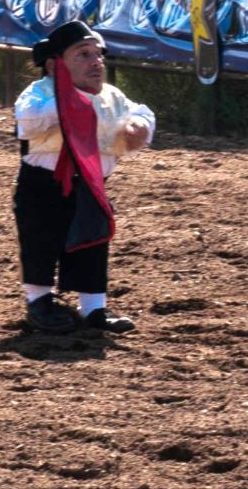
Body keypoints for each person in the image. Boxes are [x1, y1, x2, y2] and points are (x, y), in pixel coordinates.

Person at [13, 20, 155, 334]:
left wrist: (139, 129)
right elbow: (27, 119)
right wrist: (67, 103)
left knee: (92, 241)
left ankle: (94, 308)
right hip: (41, 186)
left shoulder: (112, 97)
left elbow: (141, 114)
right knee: (40, 242)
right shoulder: (41, 94)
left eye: (98, 55)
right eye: (83, 54)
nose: (96, 62)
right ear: (54, 65)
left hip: (91, 185)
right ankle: (39, 302)